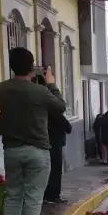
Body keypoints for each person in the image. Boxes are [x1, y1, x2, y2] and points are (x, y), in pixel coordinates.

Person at [0, 47, 67, 215]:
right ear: (32, 67)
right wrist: (51, 84)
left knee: (13, 193)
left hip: (11, 149)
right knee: (34, 194)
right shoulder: (40, 91)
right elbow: (61, 106)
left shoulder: (0, 89)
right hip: (37, 149)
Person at [42, 75, 73, 204]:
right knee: (55, 170)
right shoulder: (53, 110)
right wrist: (52, 85)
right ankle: (53, 195)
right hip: (54, 143)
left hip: (42, 142)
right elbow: (67, 126)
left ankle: (46, 195)